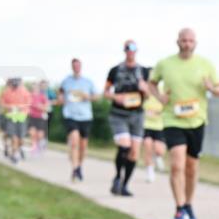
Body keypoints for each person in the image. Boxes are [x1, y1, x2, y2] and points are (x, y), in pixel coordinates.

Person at [148, 28, 219, 219]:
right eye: (184, 40)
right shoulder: (165, 64)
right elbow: (151, 84)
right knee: (177, 164)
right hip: (173, 119)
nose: (187, 43)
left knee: (191, 167)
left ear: (195, 43)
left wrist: (211, 88)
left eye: (190, 40)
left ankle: (188, 203)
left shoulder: (205, 64)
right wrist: (159, 97)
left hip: (197, 121)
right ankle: (179, 207)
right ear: (177, 42)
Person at [104, 40, 151, 196]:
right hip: (119, 114)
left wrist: (145, 90)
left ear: (137, 51)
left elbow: (149, 95)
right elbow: (106, 92)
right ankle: (117, 177)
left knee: (134, 153)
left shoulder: (144, 71)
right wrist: (116, 97)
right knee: (124, 146)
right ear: (124, 50)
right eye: (127, 48)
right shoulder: (115, 70)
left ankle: (124, 185)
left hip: (137, 114)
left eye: (133, 48)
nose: (130, 51)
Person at [58, 58, 98, 182]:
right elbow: (60, 93)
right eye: (74, 65)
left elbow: (96, 97)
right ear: (72, 67)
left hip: (85, 116)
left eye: (78, 65)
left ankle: (79, 166)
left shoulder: (88, 82)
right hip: (70, 115)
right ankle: (74, 168)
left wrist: (87, 97)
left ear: (80, 67)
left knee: (83, 146)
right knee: (74, 141)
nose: (76, 67)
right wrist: (60, 98)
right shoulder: (66, 81)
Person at [0, 78, 32, 163]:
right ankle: (14, 155)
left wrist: (22, 107)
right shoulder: (7, 92)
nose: (14, 86)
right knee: (13, 137)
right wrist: (9, 107)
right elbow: (2, 103)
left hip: (22, 117)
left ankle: (19, 149)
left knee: (21, 138)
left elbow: (29, 103)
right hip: (11, 117)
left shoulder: (25, 92)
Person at [142, 81, 167, 183]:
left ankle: (158, 156)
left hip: (159, 125)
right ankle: (150, 172)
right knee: (148, 146)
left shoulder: (162, 89)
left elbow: (166, 104)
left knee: (159, 149)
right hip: (146, 125)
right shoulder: (144, 90)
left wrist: (159, 112)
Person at [28, 80, 50, 154]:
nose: (34, 88)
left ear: (38, 88)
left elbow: (47, 108)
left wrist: (41, 107)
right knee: (32, 133)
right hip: (32, 117)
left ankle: (40, 143)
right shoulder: (29, 96)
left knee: (40, 135)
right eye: (33, 87)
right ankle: (34, 148)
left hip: (40, 117)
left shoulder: (42, 96)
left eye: (35, 87)